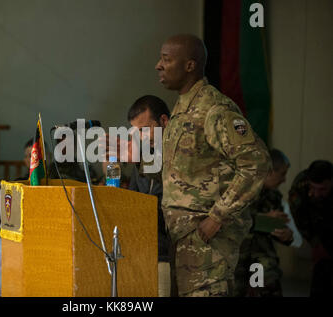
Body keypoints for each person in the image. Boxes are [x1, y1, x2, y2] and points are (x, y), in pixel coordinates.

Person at [155, 34, 270, 297]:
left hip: (207, 242)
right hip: (183, 239)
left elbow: (256, 162)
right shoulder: (183, 107)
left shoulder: (214, 108)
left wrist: (217, 217)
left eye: (166, 59)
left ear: (189, 65)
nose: (158, 65)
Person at [126, 95, 172, 297]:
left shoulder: (185, 155)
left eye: (145, 130)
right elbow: (132, 201)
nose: (142, 137)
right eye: (137, 132)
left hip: (173, 251)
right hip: (142, 250)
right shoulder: (142, 160)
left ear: (164, 121)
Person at [234, 149, 294, 297]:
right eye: (282, 174)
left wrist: (286, 236)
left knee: (266, 287)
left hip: (258, 261)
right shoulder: (240, 190)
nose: (284, 180)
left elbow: (276, 228)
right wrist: (261, 218)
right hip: (235, 259)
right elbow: (229, 220)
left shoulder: (274, 196)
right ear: (270, 172)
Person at [289, 160, 333, 297]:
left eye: (323, 189)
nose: (317, 194)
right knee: (321, 271)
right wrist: (316, 243)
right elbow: (299, 217)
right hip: (315, 226)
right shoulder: (300, 185)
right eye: (313, 188)